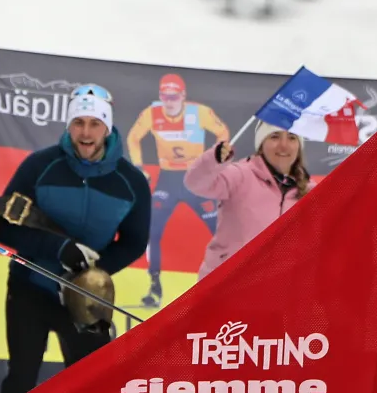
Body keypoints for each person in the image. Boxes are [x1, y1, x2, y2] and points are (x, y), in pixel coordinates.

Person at [0, 84, 151, 393]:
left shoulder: (132, 182)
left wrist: (95, 271)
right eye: (78, 122)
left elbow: (135, 242)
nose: (86, 132)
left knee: (88, 387)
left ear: (107, 128)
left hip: (87, 298)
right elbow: (2, 225)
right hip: (30, 288)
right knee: (21, 378)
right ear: (68, 125)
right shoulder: (39, 166)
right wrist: (59, 248)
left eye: (94, 123)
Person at [127, 73, 229, 307]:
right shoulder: (152, 113)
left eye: (173, 96)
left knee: (221, 232)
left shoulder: (199, 112)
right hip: (169, 180)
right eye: (164, 96)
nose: (169, 101)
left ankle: (226, 282)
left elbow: (222, 133)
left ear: (183, 96)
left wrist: (214, 158)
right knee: (152, 230)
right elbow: (133, 138)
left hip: (197, 179)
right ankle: (154, 288)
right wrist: (138, 167)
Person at [185, 121, 309, 281]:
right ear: (261, 143)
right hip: (225, 288)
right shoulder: (240, 175)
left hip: (276, 292)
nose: (283, 145)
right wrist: (213, 159)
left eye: (292, 138)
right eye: (275, 137)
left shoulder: (309, 191)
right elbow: (196, 183)